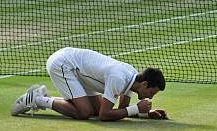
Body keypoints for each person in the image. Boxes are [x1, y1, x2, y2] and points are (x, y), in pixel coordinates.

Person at [11, 47, 167, 121]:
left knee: (96, 108)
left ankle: (43, 97)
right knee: (84, 113)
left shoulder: (132, 79)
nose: (151, 97)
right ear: (145, 84)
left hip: (77, 69)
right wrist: (136, 108)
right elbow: (104, 116)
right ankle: (37, 99)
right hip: (63, 64)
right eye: (152, 93)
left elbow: (121, 110)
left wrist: (145, 113)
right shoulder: (120, 79)